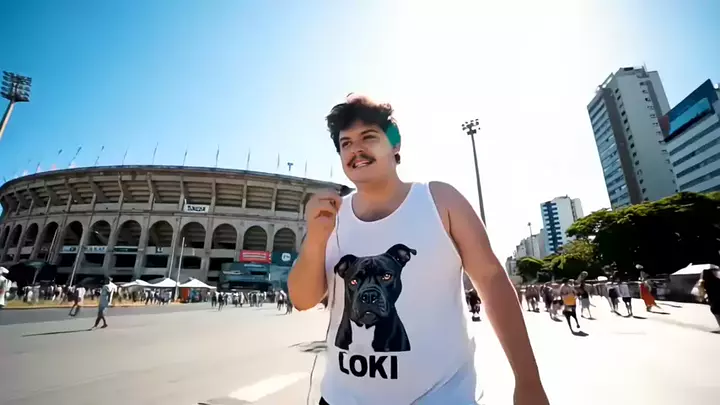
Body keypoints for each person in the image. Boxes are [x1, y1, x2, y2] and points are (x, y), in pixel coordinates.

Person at [288, 95, 548, 405]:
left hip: (442, 397)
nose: (356, 149)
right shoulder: (330, 216)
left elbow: (492, 282)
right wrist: (316, 241)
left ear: (395, 143)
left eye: (368, 137)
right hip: (339, 399)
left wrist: (528, 381)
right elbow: (302, 300)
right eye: (346, 143)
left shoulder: (439, 201)